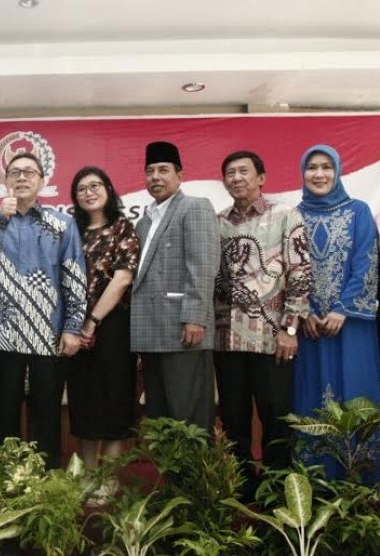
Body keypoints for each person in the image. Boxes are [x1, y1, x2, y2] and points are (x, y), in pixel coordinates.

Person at [0, 153, 86, 468]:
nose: (21, 177)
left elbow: (74, 274)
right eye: (15, 172)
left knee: (46, 413)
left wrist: (73, 327)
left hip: (48, 331)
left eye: (29, 172)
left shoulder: (62, 224)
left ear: (42, 182)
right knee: (3, 413)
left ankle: (46, 484)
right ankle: (3, 481)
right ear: (4, 181)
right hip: (1, 333)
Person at [214, 150, 311, 496]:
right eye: (229, 173)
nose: (236, 178)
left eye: (243, 171)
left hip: (272, 340)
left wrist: (289, 330)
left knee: (275, 419)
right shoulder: (217, 221)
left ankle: (276, 492)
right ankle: (241, 487)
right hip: (226, 341)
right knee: (234, 420)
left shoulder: (286, 216)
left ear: (261, 178)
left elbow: (300, 274)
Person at [294, 144, 380, 482]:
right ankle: (317, 483)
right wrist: (306, 312)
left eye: (326, 167)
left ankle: (363, 484)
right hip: (311, 329)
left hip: (352, 326)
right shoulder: (293, 215)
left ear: (338, 171)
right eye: (311, 167)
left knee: (357, 393)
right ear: (302, 173)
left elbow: (368, 263)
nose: (319, 174)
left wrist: (343, 309)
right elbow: (291, 268)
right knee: (313, 398)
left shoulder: (358, 211)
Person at [130, 141, 220, 431]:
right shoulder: (144, 223)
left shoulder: (195, 207)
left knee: (188, 415)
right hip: (152, 333)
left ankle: (194, 478)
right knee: (160, 415)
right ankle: (170, 478)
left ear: (179, 175)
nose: (155, 177)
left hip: (184, 331)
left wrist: (195, 317)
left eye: (163, 170)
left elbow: (203, 265)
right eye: (150, 171)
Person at [66, 166, 139, 472]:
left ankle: (107, 479)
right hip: (73, 327)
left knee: (114, 402)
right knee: (84, 404)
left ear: (108, 190)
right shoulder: (70, 229)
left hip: (113, 326)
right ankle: (87, 475)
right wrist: (77, 324)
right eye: (82, 188)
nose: (89, 192)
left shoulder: (123, 227)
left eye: (95, 185)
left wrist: (92, 320)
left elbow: (122, 279)